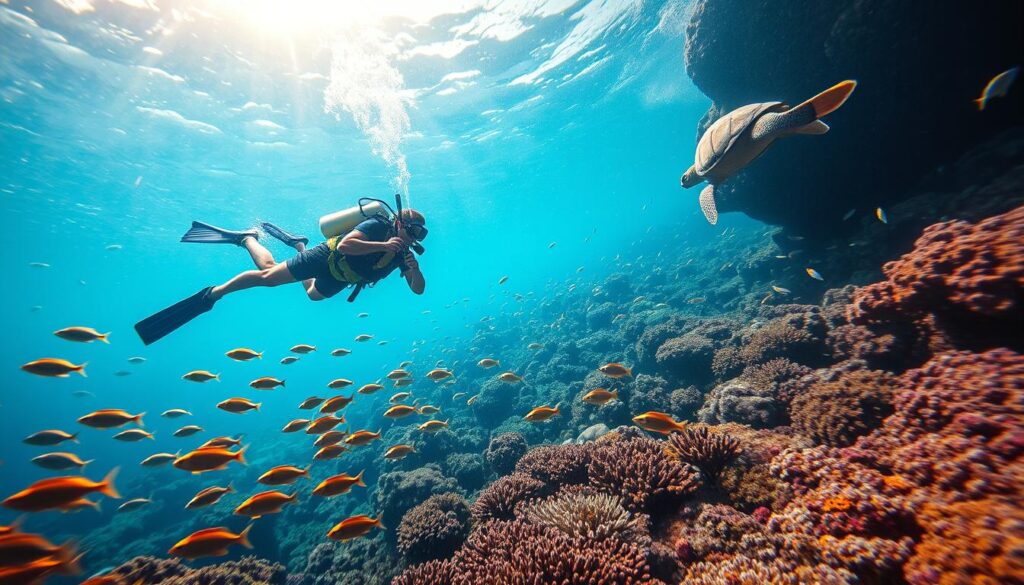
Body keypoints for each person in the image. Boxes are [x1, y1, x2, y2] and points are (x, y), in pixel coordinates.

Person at [134, 209, 427, 345]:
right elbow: (349, 244)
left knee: (312, 295)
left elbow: (418, 291)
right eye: (413, 229)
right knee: (269, 276)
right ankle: (222, 282)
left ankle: (298, 243)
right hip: (327, 255)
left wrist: (413, 268)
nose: (415, 236)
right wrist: (383, 245)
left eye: (420, 234)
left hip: (343, 277)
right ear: (400, 223)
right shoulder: (376, 224)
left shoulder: (404, 254)